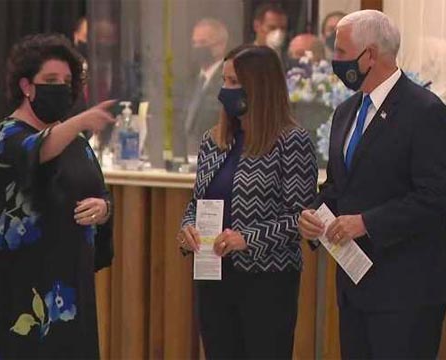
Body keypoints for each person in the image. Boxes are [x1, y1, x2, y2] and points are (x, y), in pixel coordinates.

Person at [298, 10, 446, 359]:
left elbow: (435, 196)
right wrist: (315, 215)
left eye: (340, 51)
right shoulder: (346, 112)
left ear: (371, 54)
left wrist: (366, 222)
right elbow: (339, 186)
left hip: (406, 291)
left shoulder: (424, 110)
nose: (333, 61)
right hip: (354, 286)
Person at [0, 33, 116, 359]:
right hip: (17, 284)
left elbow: (100, 191)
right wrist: (80, 121)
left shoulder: (76, 142)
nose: (60, 87)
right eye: (50, 80)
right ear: (26, 86)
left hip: (68, 286)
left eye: (66, 80)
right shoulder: (6, 136)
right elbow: (38, 150)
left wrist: (103, 209)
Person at [177, 44, 317, 359]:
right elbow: (198, 201)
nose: (225, 90)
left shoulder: (291, 141)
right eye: (223, 81)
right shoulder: (213, 140)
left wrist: (247, 239)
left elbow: (301, 219)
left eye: (233, 82)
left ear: (259, 86)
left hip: (266, 281)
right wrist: (187, 227)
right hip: (213, 276)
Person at [183, 18, 229, 156]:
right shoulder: (192, 82)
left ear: (221, 45)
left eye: (203, 43)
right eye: (194, 43)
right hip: (190, 157)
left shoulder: (229, 80)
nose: (197, 47)